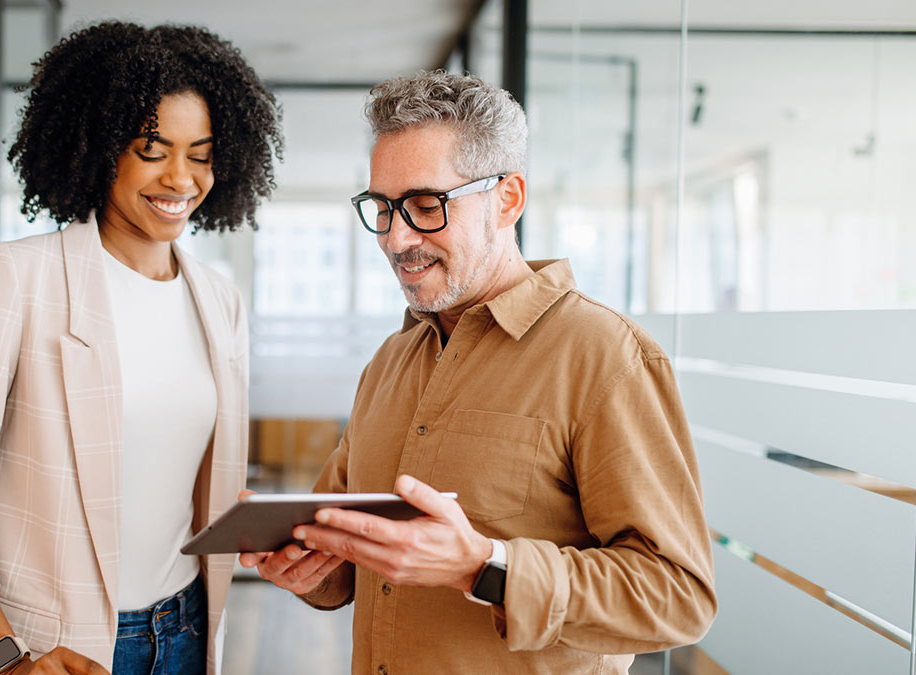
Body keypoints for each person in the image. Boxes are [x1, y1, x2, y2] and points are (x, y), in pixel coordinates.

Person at [241, 70, 716, 674]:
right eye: (382, 208)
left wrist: (484, 566)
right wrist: (312, 573)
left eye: (424, 205)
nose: (396, 238)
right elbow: (351, 562)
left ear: (507, 200)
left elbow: (678, 597)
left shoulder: (605, 356)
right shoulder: (390, 361)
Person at [0, 21, 281, 675]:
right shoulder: (18, 276)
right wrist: (6, 655)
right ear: (99, 147)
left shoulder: (219, 299)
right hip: (53, 646)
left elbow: (185, 477)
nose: (181, 178)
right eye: (152, 149)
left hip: (186, 626)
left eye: (201, 153)